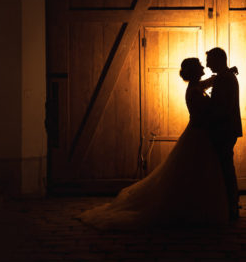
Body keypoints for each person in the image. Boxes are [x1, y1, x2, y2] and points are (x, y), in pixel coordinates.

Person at [77, 57, 228, 230]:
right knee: (194, 172)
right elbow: (204, 112)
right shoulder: (194, 91)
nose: (204, 67)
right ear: (195, 71)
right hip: (199, 134)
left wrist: (224, 74)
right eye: (200, 66)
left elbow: (208, 82)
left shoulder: (195, 87)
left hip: (197, 134)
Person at [203, 47, 242, 221]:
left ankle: (231, 205)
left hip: (224, 129)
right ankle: (228, 204)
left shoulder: (225, 79)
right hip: (226, 128)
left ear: (218, 60)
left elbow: (223, 107)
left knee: (225, 168)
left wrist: (208, 115)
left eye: (209, 61)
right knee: (224, 166)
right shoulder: (224, 77)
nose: (207, 65)